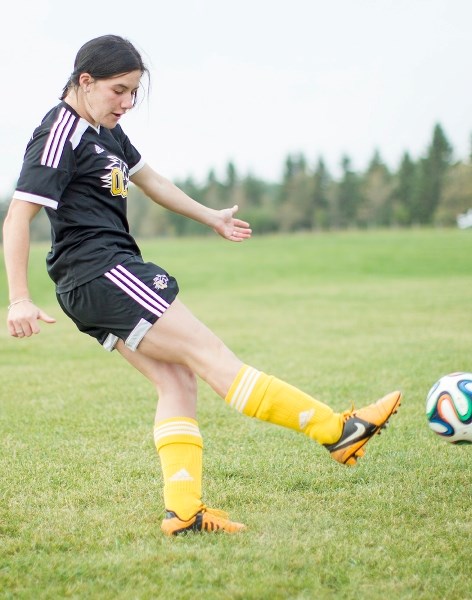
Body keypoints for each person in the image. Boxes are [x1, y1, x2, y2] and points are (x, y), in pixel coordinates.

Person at [3, 35, 401, 536]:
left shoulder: (105, 131)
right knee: (215, 360)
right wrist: (18, 298)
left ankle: (183, 512)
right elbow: (18, 215)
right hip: (102, 271)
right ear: (85, 82)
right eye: (119, 91)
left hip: (98, 276)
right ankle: (339, 431)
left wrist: (210, 216)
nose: (127, 104)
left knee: (176, 381)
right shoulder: (61, 130)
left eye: (134, 94)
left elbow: (153, 182)